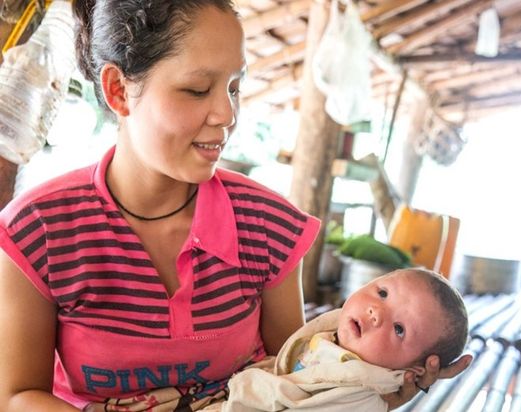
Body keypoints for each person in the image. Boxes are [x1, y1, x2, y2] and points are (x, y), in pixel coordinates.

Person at [0, 1, 471, 411]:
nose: (226, 115)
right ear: (119, 90)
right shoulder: (39, 229)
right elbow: (17, 396)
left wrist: (377, 388)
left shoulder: (268, 225)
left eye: (234, 87)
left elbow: (296, 374)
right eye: (197, 89)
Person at [219, 268, 469, 411]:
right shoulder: (334, 339)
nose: (376, 313)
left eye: (399, 329)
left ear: (414, 371)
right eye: (382, 293)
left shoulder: (358, 396)